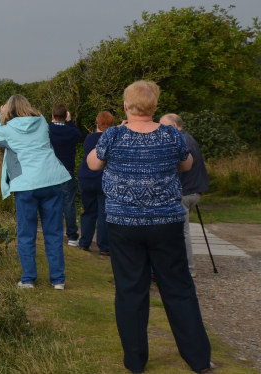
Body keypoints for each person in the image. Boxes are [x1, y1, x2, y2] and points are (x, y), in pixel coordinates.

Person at [86, 81, 212, 374]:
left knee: (131, 290)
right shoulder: (170, 134)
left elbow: (93, 164)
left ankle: (135, 361)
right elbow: (187, 164)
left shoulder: (114, 135)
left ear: (127, 106)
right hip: (165, 221)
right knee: (178, 288)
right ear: (154, 106)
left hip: (123, 224)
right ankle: (198, 360)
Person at [0, 94, 72, 290]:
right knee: (53, 232)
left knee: (26, 233)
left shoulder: (7, 129)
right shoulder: (42, 121)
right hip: (51, 180)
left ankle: (28, 279)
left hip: (26, 184)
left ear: (8, 109)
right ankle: (58, 280)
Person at [160, 113, 210, 277]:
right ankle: (179, 265)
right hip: (193, 190)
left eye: (163, 126)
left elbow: (178, 169)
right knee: (178, 230)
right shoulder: (187, 138)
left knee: (182, 231)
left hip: (184, 191)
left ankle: (188, 268)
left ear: (174, 126)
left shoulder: (180, 141)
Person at [77, 110, 113, 256]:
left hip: (87, 178)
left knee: (88, 211)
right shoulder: (112, 139)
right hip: (103, 178)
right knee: (103, 213)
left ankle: (85, 242)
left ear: (97, 123)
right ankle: (104, 246)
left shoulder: (90, 138)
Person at [48, 103, 83, 246]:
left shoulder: (48, 130)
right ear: (65, 116)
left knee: (51, 203)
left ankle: (53, 233)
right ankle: (72, 237)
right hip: (67, 171)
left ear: (52, 116)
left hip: (51, 171)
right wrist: (70, 121)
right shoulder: (71, 131)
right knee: (68, 204)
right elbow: (79, 135)